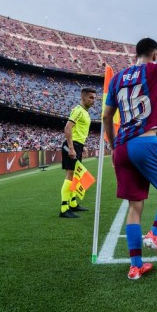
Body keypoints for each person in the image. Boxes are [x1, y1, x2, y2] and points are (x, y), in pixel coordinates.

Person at [103, 4, 157, 280]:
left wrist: (111, 142)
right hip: (145, 142)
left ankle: (135, 266)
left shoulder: (117, 78)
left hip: (121, 148)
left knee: (134, 206)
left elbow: (106, 116)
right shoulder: (152, 69)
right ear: (153, 54)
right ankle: (155, 234)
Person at [59, 87, 97, 218]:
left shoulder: (86, 112)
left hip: (78, 145)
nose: (93, 100)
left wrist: (83, 146)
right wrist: (71, 147)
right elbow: (67, 128)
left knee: (76, 175)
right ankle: (64, 208)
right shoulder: (78, 110)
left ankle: (73, 203)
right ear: (83, 97)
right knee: (70, 174)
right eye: (91, 97)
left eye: (94, 98)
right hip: (72, 145)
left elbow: (80, 131)